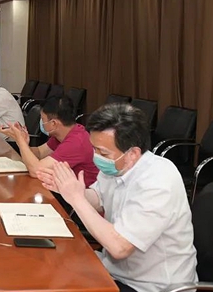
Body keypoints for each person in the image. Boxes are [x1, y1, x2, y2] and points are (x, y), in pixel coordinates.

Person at [37, 103, 198, 292]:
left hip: (151, 287)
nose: (96, 157)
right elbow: (98, 199)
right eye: (94, 149)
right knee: (48, 269)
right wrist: (71, 190)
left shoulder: (158, 180)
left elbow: (120, 247)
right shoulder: (116, 165)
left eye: (103, 152)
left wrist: (76, 199)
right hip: (115, 271)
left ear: (133, 154)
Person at [0, 95, 98, 185]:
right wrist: (23, 142)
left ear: (53, 123)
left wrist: (20, 141)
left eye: (43, 119)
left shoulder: (76, 142)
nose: (41, 123)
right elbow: (39, 152)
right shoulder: (63, 133)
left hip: (80, 194)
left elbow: (36, 171)